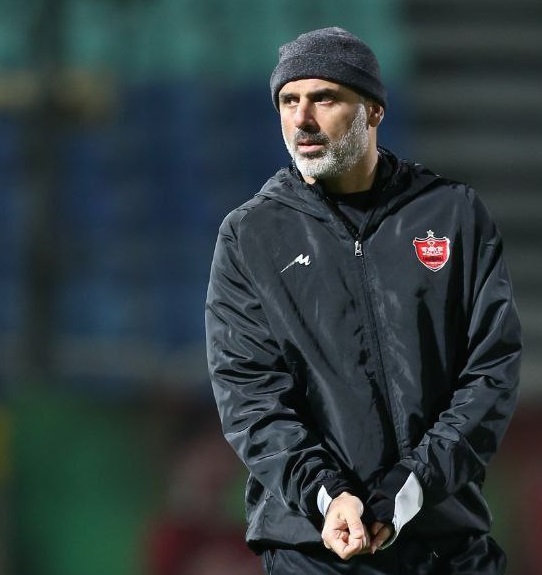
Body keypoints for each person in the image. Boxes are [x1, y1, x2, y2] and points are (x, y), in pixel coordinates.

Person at [205, 26, 522, 574]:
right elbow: (250, 396)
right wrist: (327, 494)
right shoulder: (250, 236)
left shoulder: (452, 214)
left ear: (373, 111)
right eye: (288, 101)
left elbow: (490, 372)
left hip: (446, 544)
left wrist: (412, 485)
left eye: (324, 98)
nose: (302, 119)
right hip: (316, 549)